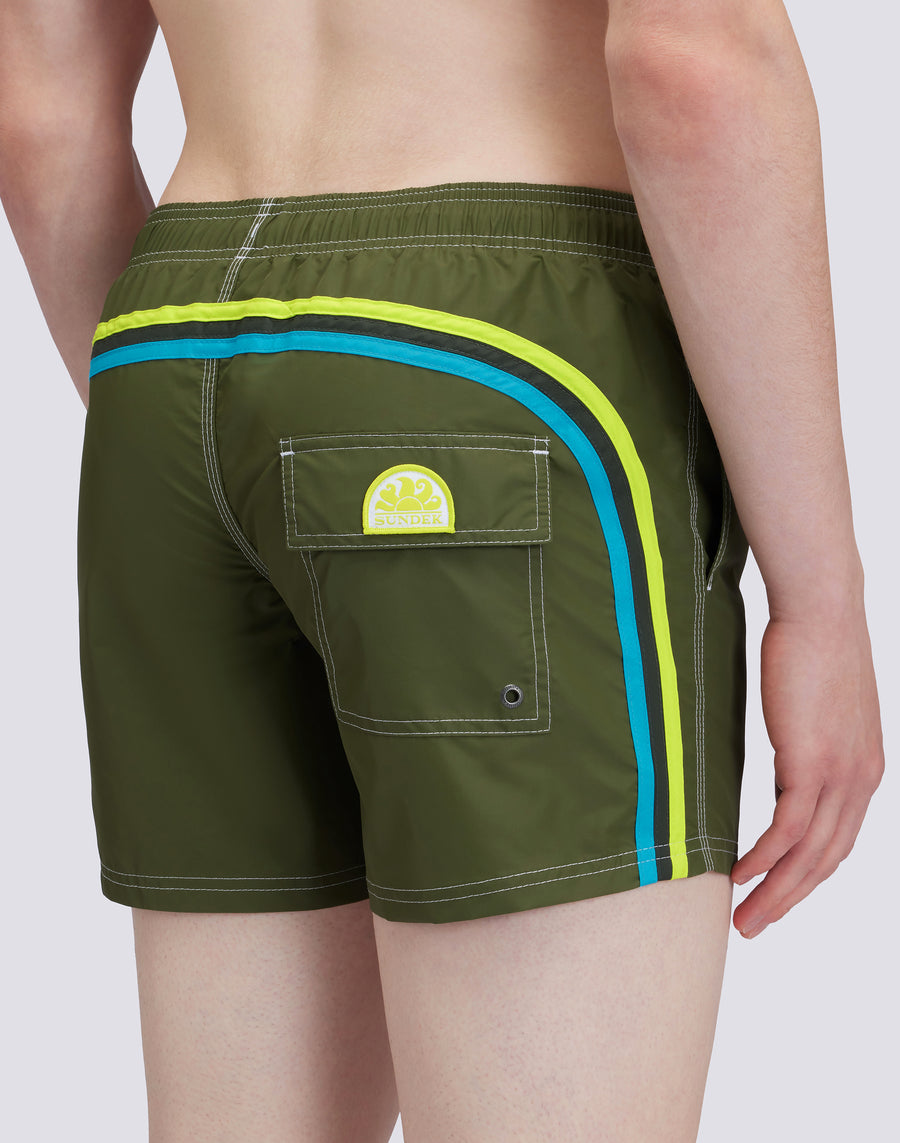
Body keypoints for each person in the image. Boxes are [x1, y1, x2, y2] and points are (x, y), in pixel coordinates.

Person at [0, 1, 885, 1140]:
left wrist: (253, 449)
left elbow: (42, 120)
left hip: (168, 358)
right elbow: (693, 64)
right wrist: (820, 600)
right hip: (498, 355)